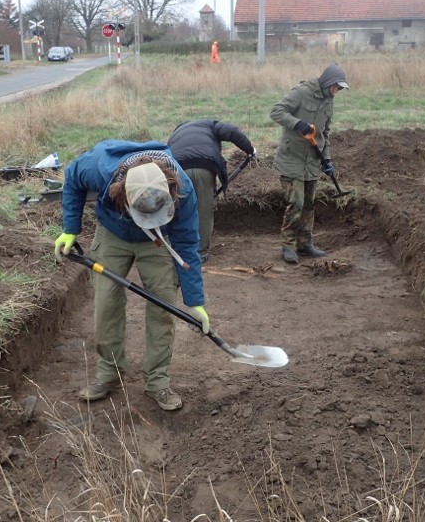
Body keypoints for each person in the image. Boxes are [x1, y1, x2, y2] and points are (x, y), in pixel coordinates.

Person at [53, 140, 210, 411]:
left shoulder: (183, 188)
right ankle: (109, 374)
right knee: (106, 305)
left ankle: (157, 381)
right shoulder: (98, 167)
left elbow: (187, 245)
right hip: (113, 234)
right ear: (121, 193)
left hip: (160, 241)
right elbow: (72, 179)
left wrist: (195, 301)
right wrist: (70, 228)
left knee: (163, 306)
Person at [269, 62, 349, 264]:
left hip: (312, 160)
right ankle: (288, 246)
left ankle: (305, 244)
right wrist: (298, 124)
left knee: (309, 205)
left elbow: (325, 133)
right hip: (292, 159)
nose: (336, 91)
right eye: (335, 87)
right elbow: (276, 111)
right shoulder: (302, 92)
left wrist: (327, 158)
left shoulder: (329, 101)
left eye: (339, 89)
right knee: (296, 203)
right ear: (327, 82)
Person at [167, 119, 256, 263]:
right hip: (204, 164)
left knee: (180, 208)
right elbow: (232, 132)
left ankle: (177, 248)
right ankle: (200, 253)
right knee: (204, 210)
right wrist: (250, 150)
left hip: (177, 168)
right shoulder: (211, 124)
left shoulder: (176, 133)